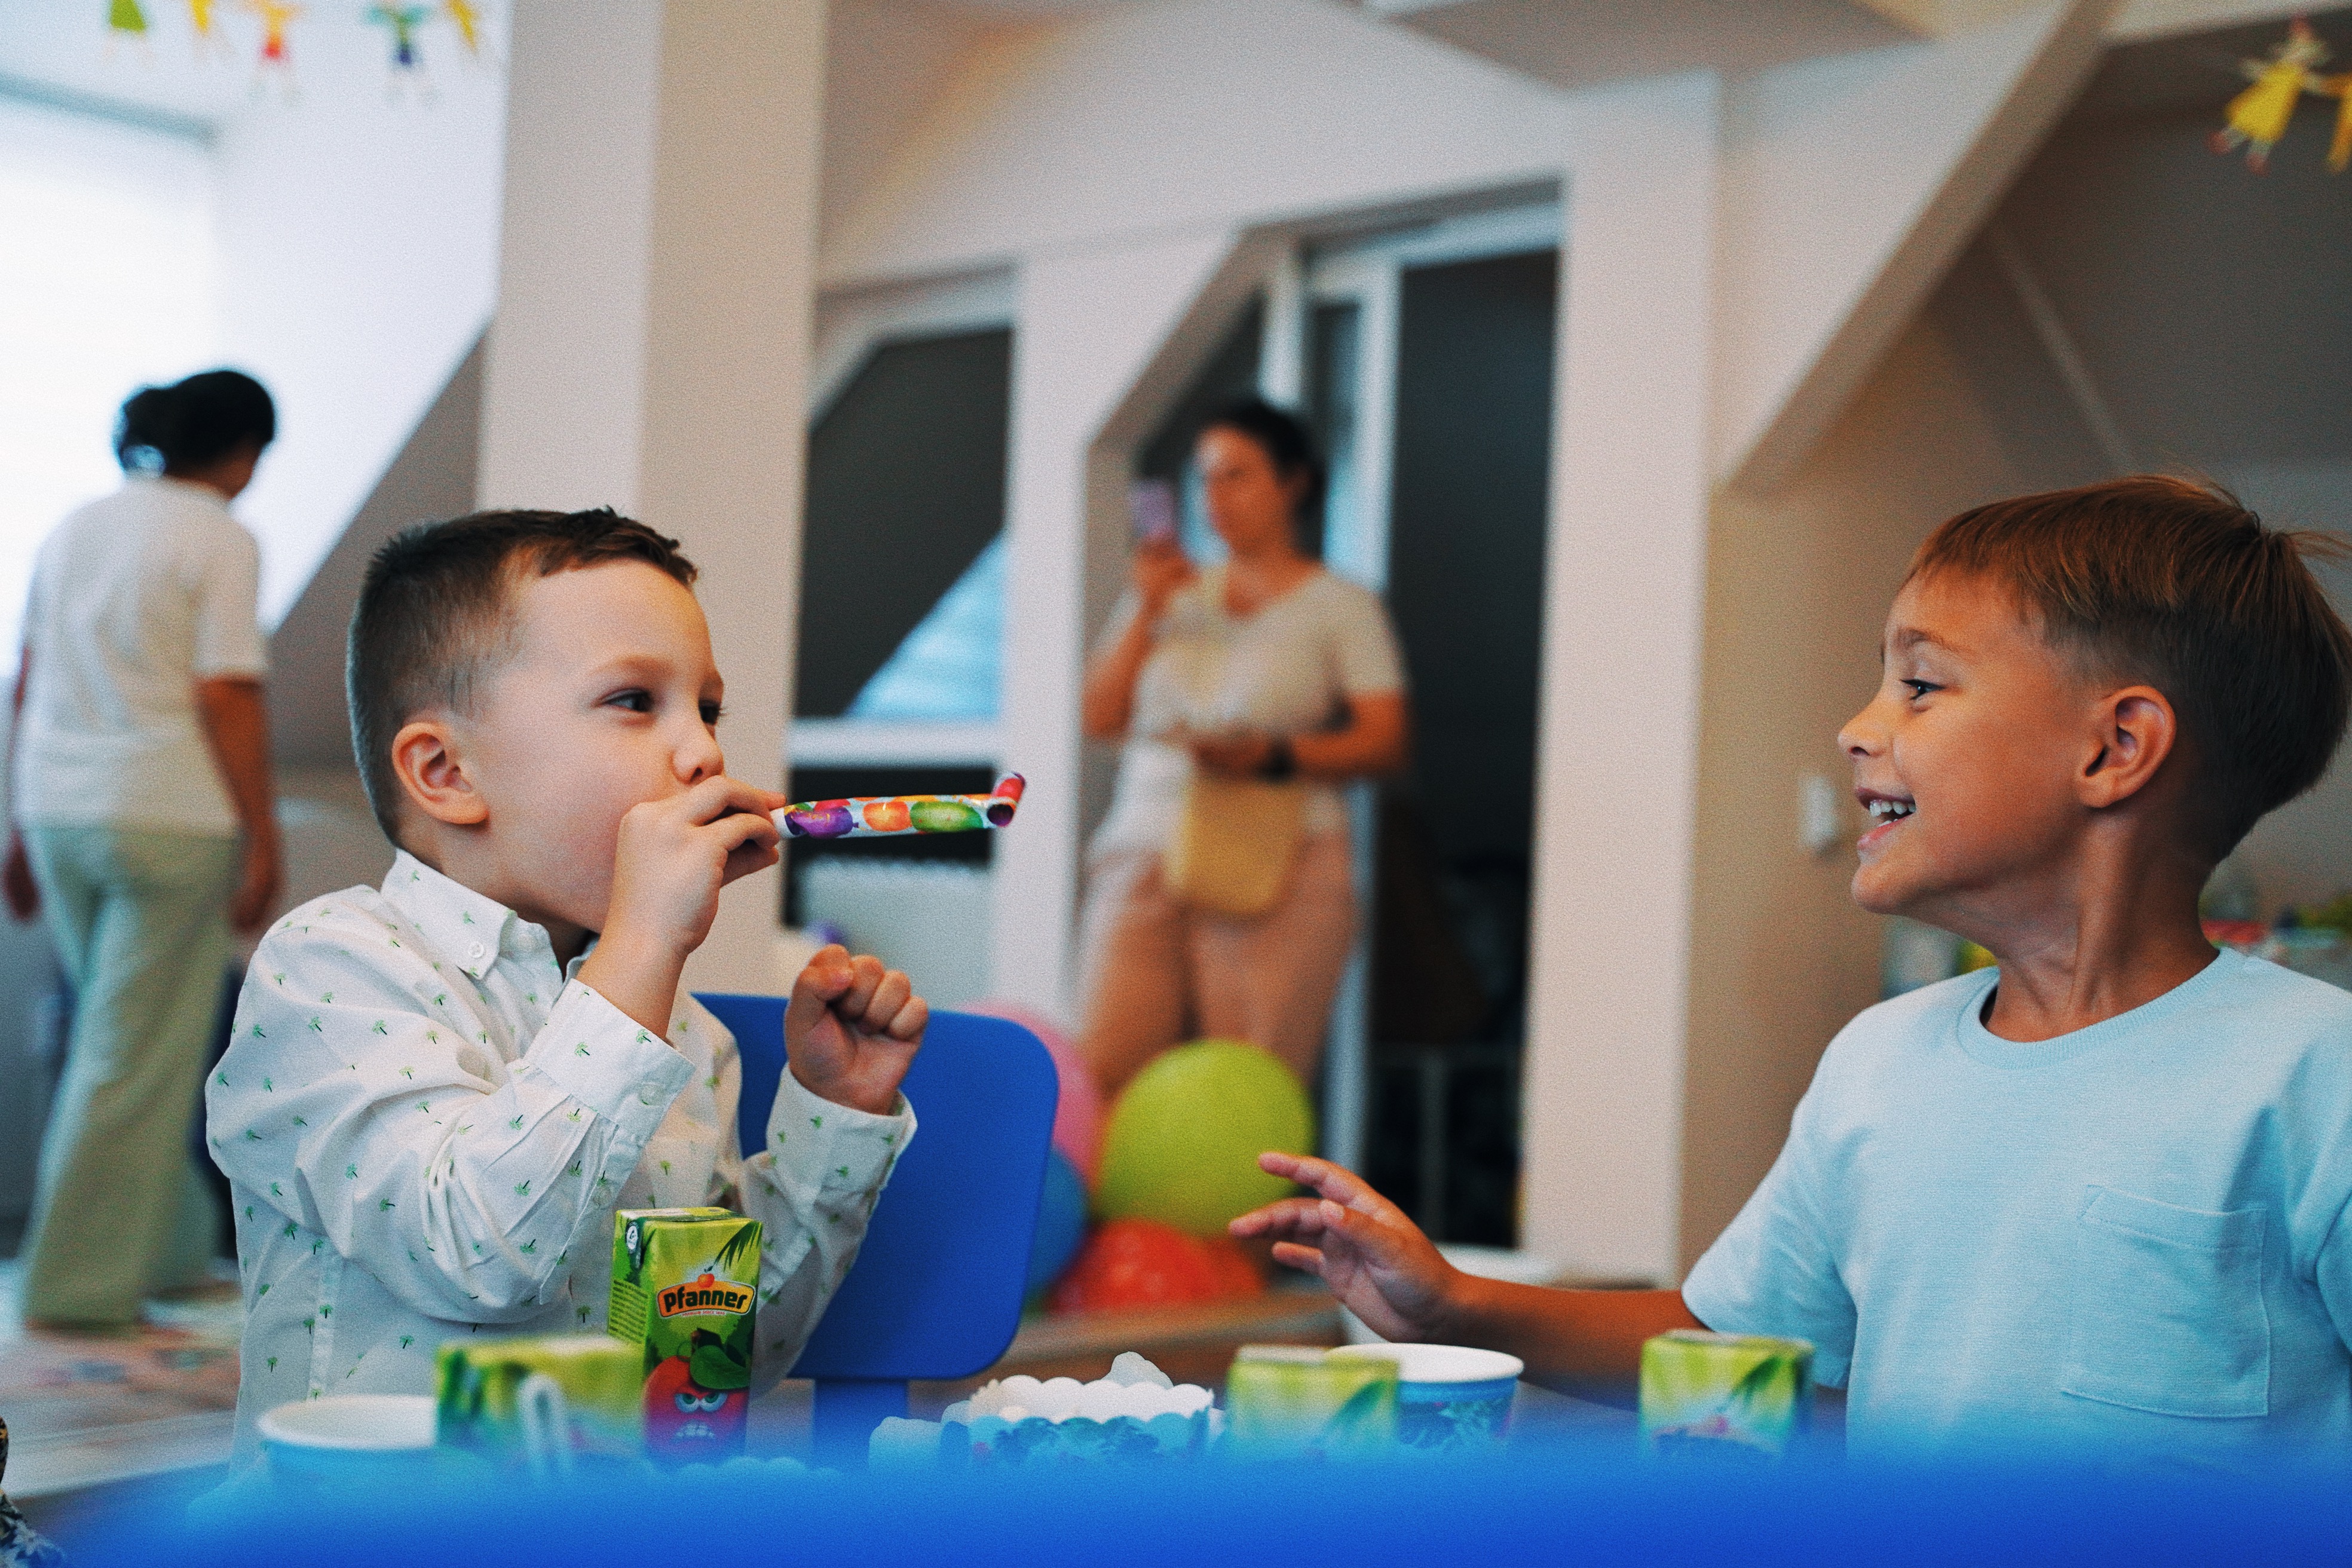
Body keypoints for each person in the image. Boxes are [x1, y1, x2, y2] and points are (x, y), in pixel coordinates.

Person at [1236, 476, 2352, 1462]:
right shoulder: (1878, 1063)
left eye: (1922, 685)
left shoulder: (2315, 1078)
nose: (1858, 727)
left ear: (2115, 748)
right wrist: (1455, 1306)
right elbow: (1738, 1349)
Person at [204, 508, 924, 1460]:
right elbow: (479, 1254)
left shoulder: (683, 1037)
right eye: (635, 700)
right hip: (372, 1529)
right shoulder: (329, 972)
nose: (704, 753)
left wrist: (835, 1114)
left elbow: (709, 1366)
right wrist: (643, 949)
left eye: (708, 710)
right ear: (445, 771)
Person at [5, 369, 283, 1328]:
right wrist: (262, 834)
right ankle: (72, 1292)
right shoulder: (220, 535)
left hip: (58, 808)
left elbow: (29, 677)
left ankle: (167, 1251)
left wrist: (17, 826)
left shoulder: (76, 525)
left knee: (124, 1046)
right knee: (133, 1056)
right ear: (242, 450)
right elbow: (225, 691)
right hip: (168, 814)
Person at [1076, 398, 1408, 1097]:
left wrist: (1273, 756)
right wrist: (1145, 606)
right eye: (1206, 478)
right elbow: (1099, 715)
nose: (1216, 497)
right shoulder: (1170, 590)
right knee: (1106, 1072)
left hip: (1279, 858)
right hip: (1145, 847)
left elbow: (1385, 740)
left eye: (1237, 475)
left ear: (1293, 483)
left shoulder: (1341, 605)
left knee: (1247, 1085)